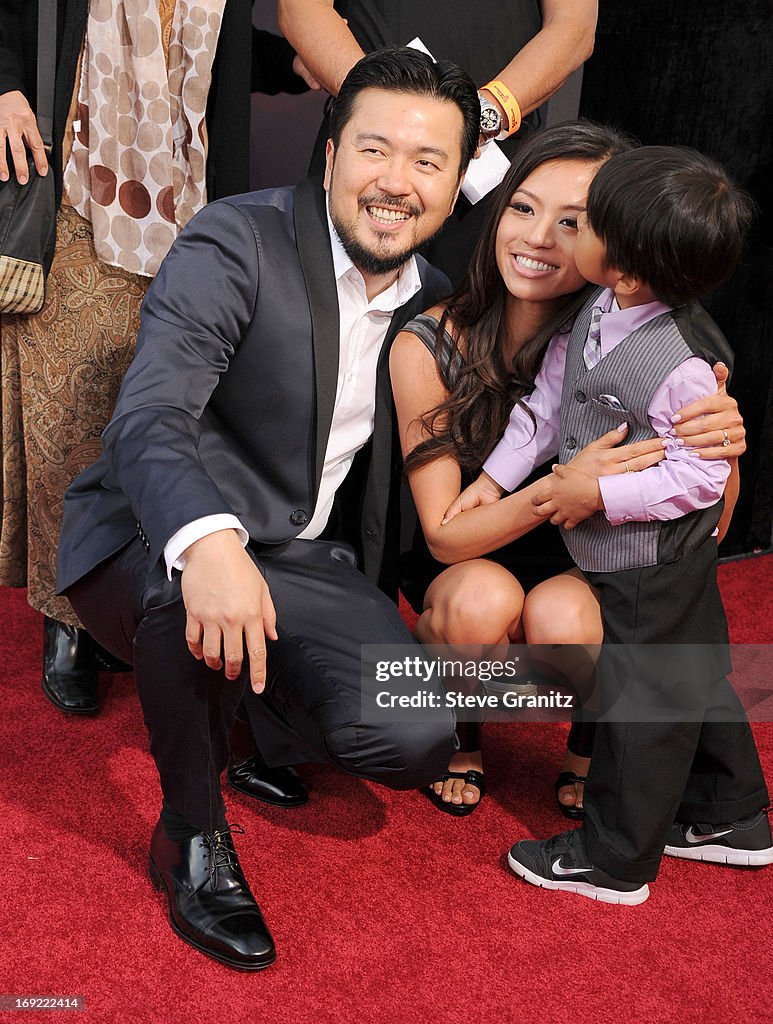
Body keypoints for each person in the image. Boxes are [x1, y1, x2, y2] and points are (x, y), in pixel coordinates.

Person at [55, 47, 481, 970]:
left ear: (454, 187)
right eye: (374, 150)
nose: (395, 183)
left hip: (295, 552)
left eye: (427, 162)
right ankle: (191, 839)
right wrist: (205, 544)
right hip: (146, 530)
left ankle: (250, 717)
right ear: (329, 154)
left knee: (412, 733)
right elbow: (152, 415)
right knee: (188, 589)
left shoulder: (438, 305)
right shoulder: (232, 240)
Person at [391, 123, 746, 818]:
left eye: (573, 222)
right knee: (477, 603)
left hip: (589, 563)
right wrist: (557, 486)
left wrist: (722, 443)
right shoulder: (430, 341)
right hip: (473, 554)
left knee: (565, 618)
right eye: (522, 208)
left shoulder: (644, 334)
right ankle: (464, 733)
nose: (539, 238)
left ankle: (585, 751)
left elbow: (711, 518)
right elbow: (443, 538)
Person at [452, 144, 771, 902]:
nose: (566, 230)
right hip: (621, 548)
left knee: (645, 700)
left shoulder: (683, 366)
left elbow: (698, 478)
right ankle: (734, 816)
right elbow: (550, 405)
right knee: (688, 672)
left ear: (624, 266)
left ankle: (615, 859)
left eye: (585, 222)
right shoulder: (599, 308)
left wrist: (594, 497)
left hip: (651, 555)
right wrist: (494, 478)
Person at [0, 0, 312, 715]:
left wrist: (294, 64)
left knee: (157, 413)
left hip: (192, 203)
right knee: (70, 410)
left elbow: (205, 50)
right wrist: (4, 87)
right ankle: (65, 619)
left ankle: (118, 594)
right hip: (80, 189)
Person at [278, 0, 598, 283]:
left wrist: (486, 113)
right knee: (318, 304)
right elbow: (301, 8)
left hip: (486, 158)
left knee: (462, 327)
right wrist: (376, 103)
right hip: (367, 143)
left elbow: (573, 24)